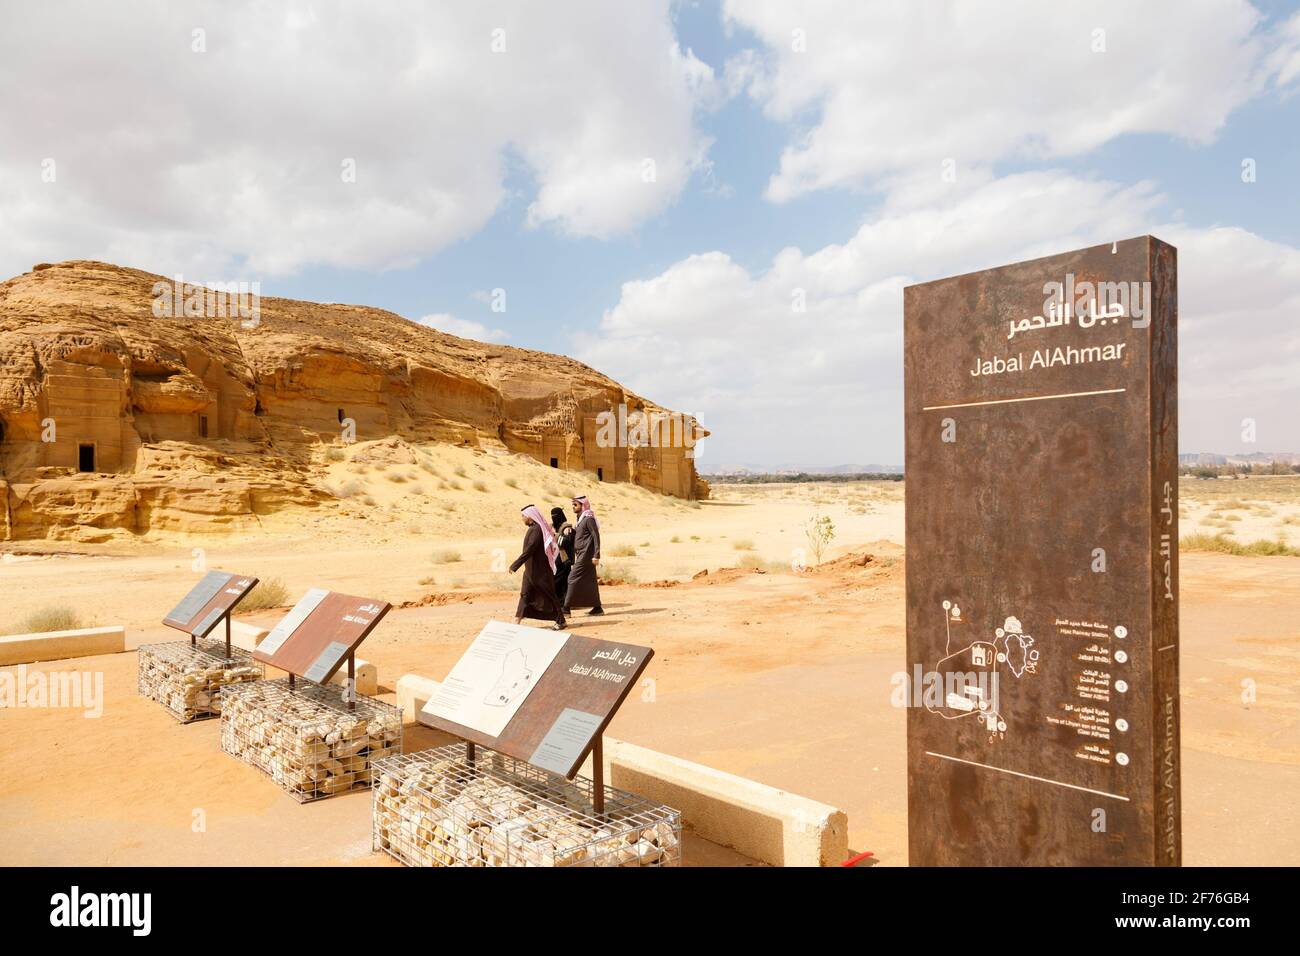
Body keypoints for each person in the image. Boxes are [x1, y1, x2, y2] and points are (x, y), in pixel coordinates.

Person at [508, 504, 566, 630]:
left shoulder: (537, 530)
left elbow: (529, 550)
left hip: (540, 571)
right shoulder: (533, 529)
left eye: (523, 516)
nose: (522, 518)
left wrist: (515, 565)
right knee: (525, 594)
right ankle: (516, 620)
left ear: (530, 517)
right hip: (530, 570)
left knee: (549, 595)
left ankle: (561, 621)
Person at [563, 494, 603, 616]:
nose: (573, 507)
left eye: (575, 505)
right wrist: (572, 530)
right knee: (590, 581)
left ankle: (566, 609)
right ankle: (597, 608)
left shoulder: (589, 519)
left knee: (572, 578)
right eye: (573, 505)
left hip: (587, 554)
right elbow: (583, 535)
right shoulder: (581, 519)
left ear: (583, 505)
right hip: (581, 553)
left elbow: (596, 536)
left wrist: (597, 555)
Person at [551, 506, 575, 605]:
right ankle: (565, 602)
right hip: (556, 558)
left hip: (564, 558)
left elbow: (564, 541)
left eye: (555, 516)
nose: (553, 518)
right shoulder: (554, 526)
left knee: (561, 580)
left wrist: (554, 535)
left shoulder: (566, 527)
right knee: (563, 581)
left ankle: (563, 603)